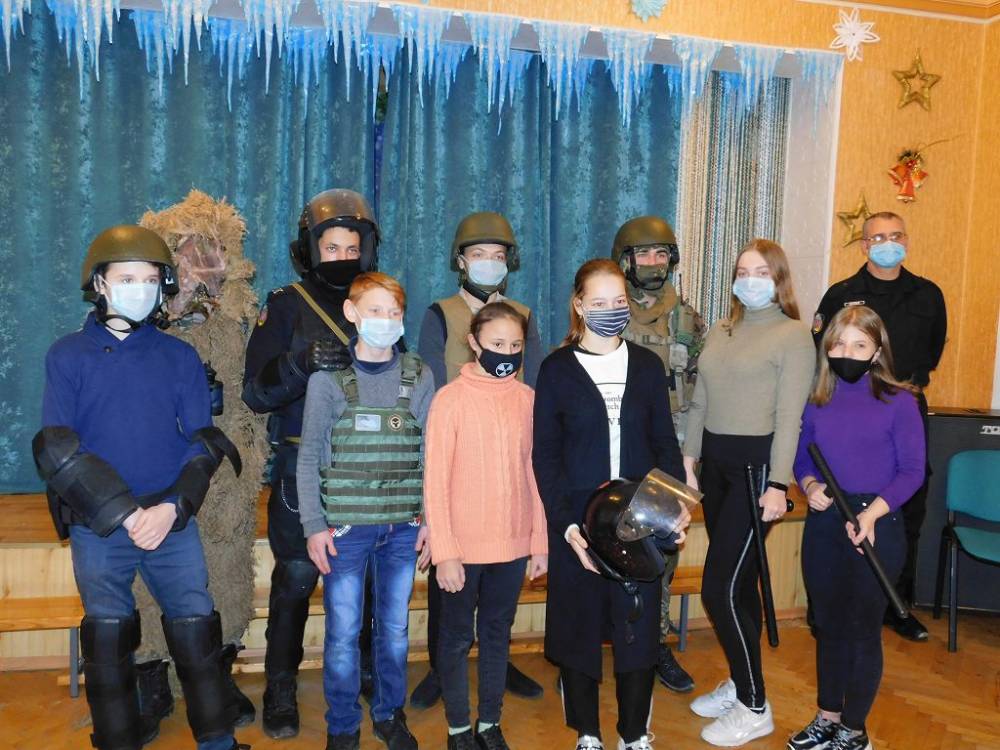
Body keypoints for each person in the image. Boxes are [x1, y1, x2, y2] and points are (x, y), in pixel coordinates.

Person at [33, 225, 247, 750]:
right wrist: (126, 514)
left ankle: (217, 741)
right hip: (100, 524)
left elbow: (203, 440)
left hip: (170, 520)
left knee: (197, 630)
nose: (140, 288)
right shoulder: (66, 355)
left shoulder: (179, 357)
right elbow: (57, 447)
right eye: (127, 278)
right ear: (100, 284)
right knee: (107, 638)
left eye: (150, 279)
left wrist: (172, 507)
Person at [532, 258, 688, 750]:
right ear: (579, 306)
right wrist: (566, 526)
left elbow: (665, 444)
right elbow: (546, 456)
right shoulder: (557, 370)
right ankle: (587, 732)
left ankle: (634, 733)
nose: (611, 310)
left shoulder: (647, 366)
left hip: (640, 518)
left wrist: (673, 506)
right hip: (579, 521)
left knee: (637, 631)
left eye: (618, 301)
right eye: (599, 302)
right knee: (578, 630)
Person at [243, 189, 378, 739]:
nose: (343, 256)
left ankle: (366, 671)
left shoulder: (380, 301)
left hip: (368, 465)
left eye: (352, 247)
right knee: (296, 577)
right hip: (302, 463)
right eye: (331, 246)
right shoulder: (285, 305)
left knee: (366, 577)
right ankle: (280, 685)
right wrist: (298, 365)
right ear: (310, 249)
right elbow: (254, 393)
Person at [134, 189, 263, 740]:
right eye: (186, 251)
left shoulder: (239, 318)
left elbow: (254, 394)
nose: (199, 263)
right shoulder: (141, 323)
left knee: (226, 571)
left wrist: (245, 457)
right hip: (158, 464)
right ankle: (153, 676)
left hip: (224, 464)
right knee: (148, 573)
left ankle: (215, 676)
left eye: (210, 250)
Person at [683, 239, 815, 747]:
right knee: (740, 587)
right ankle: (742, 684)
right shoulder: (722, 329)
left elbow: (789, 417)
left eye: (762, 271)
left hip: (757, 472)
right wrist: (689, 460)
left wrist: (778, 484)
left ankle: (755, 705)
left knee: (718, 588)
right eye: (743, 270)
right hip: (714, 467)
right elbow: (700, 400)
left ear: (779, 279)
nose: (750, 279)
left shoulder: (793, 335)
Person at [411, 211, 545, 709]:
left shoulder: (523, 315)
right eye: (479, 254)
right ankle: (440, 669)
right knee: (449, 591)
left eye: (498, 255)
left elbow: (534, 384)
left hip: (507, 461)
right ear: (461, 261)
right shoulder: (441, 313)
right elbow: (427, 389)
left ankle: (497, 665)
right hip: (453, 460)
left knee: (496, 605)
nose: (490, 262)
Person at [296, 272, 434, 750]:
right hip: (345, 530)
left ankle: (389, 714)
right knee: (342, 634)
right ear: (352, 313)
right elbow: (308, 456)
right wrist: (313, 526)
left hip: (403, 528)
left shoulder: (420, 375)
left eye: (394, 312)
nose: (386, 320)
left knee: (394, 632)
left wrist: (432, 520)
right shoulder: (327, 381)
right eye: (375, 311)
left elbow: (431, 455)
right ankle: (342, 726)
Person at [789, 305, 924, 750]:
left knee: (863, 628)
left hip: (876, 522)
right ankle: (827, 717)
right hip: (827, 519)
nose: (847, 353)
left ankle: (854, 728)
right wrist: (810, 485)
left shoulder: (900, 401)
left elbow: (912, 471)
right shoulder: (817, 398)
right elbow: (803, 457)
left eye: (859, 345)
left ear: (877, 350)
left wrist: (871, 513)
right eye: (839, 344)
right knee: (827, 625)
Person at [812, 211, 946, 643]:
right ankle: (824, 604)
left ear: (906, 240)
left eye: (895, 235)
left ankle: (896, 605)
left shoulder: (928, 294)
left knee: (908, 506)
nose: (888, 243)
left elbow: (931, 353)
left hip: (901, 407)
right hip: (845, 407)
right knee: (835, 504)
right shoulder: (841, 294)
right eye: (877, 237)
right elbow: (823, 350)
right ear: (864, 245)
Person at [423, 302, 549, 750]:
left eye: (515, 346)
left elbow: (536, 475)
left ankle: (489, 723)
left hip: (512, 547)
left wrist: (539, 542)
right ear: (474, 343)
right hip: (462, 550)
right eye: (497, 343)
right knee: (457, 638)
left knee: (497, 634)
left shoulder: (528, 400)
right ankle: (459, 728)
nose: (507, 353)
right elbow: (435, 481)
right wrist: (445, 551)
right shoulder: (449, 399)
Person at [611, 215, 704, 694]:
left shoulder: (687, 319)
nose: (653, 262)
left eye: (661, 253)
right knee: (607, 546)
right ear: (625, 261)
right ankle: (599, 645)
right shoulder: (607, 311)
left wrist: (691, 458)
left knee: (661, 557)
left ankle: (656, 645)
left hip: (669, 455)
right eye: (643, 253)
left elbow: (701, 391)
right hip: (616, 450)